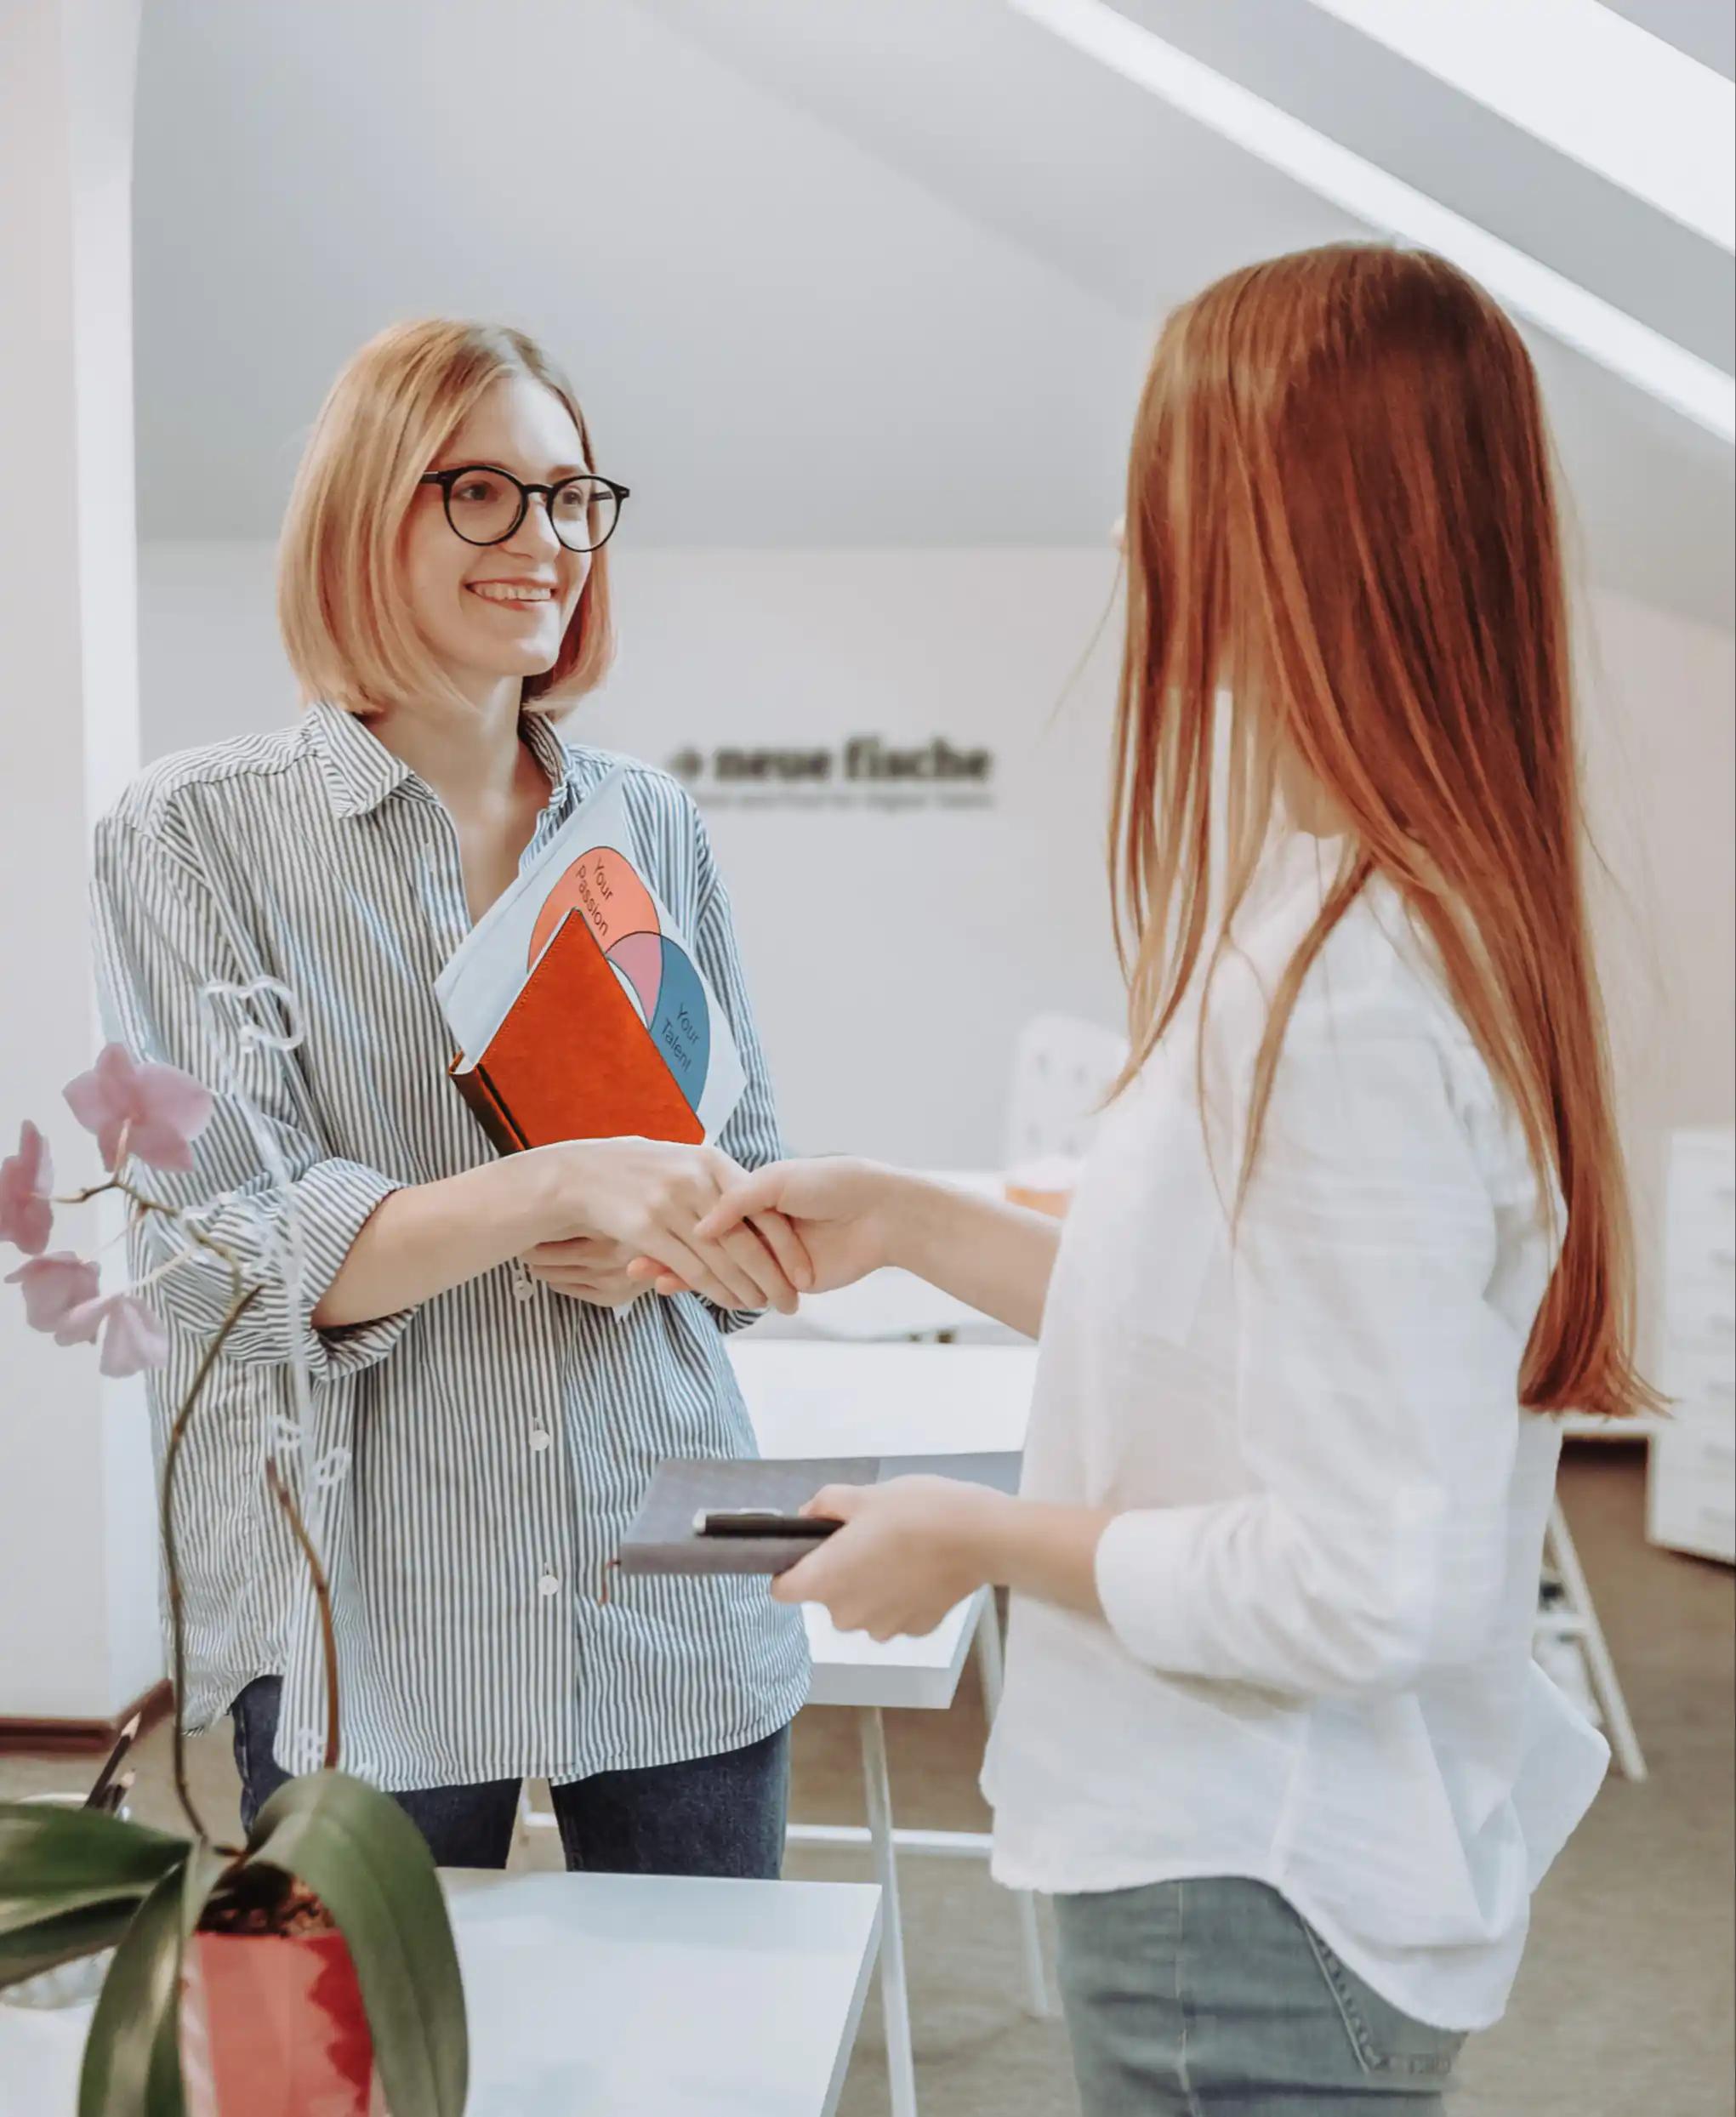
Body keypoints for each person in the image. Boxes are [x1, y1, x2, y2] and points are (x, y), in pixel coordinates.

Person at [663, 246, 1653, 2110]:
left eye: (1171, 491)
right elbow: (1237, 1333)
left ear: (1311, 531)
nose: (1137, 548)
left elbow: (1373, 1586)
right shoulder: (1366, 906)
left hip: (1246, 1895)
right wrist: (913, 1224)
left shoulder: (1353, 983)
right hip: (1255, 1881)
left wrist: (977, 1543)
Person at [91, 320, 812, 1875]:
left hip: (673, 1573)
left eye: (569, 496)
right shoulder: (189, 834)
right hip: (368, 1614)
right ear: (365, 511)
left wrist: (667, 1241)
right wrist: (555, 1189)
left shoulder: (650, 823)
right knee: (366, 2078)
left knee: (699, 2064)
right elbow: (222, 1253)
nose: (541, 540)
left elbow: (748, 1193)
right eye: (478, 491)